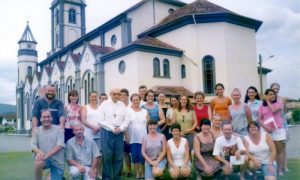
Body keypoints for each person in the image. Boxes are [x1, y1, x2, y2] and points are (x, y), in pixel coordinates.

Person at [98, 88, 129, 180]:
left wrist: (121, 128)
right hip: (107, 132)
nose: (116, 96)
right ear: (110, 94)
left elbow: (126, 119)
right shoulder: (104, 104)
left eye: (118, 94)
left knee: (119, 156)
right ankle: (106, 177)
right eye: (114, 94)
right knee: (107, 156)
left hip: (119, 133)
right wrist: (112, 128)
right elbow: (100, 120)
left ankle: (117, 177)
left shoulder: (122, 105)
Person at [31, 109, 65, 180]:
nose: (46, 119)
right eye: (44, 117)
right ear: (40, 119)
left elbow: (59, 146)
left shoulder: (59, 130)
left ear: (51, 118)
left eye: (48, 117)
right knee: (38, 162)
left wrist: (45, 156)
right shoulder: (37, 131)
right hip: (44, 160)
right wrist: (39, 152)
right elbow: (33, 145)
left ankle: (52, 176)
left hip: (57, 163)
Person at [258, 88, 286, 175]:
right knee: (269, 150)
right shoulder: (261, 106)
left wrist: (268, 101)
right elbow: (259, 119)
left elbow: (274, 110)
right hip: (267, 130)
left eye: (273, 94)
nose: (272, 95)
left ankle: (280, 169)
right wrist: (265, 127)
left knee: (279, 150)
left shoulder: (280, 103)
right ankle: (270, 168)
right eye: (270, 94)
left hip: (278, 130)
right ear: (266, 95)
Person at [126, 93, 149, 179]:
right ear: (131, 101)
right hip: (132, 138)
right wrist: (127, 136)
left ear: (140, 101)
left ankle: (142, 172)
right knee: (135, 155)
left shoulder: (145, 111)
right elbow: (126, 125)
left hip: (143, 137)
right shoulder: (128, 111)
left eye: (137, 100)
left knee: (142, 156)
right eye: (134, 100)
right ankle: (137, 173)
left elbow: (149, 125)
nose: (135, 101)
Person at [81, 91, 102, 179]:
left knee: (99, 155)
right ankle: (89, 172)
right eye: (92, 96)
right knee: (89, 154)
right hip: (88, 134)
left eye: (95, 96)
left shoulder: (101, 108)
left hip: (99, 134)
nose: (93, 98)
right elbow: (83, 120)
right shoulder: (85, 107)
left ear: (97, 97)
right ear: (89, 97)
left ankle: (98, 172)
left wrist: (98, 127)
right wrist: (93, 127)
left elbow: (103, 119)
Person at [270, 82, 289, 173]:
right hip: (272, 127)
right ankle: (275, 166)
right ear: (271, 89)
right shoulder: (268, 100)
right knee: (274, 148)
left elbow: (284, 113)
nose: (276, 90)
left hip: (282, 126)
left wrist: (285, 125)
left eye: (277, 89)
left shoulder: (282, 100)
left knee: (283, 147)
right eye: (274, 88)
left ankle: (285, 166)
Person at [120, 88, 132, 177]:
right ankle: (124, 171)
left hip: (133, 133)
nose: (123, 97)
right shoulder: (119, 107)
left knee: (131, 153)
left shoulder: (131, 107)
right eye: (121, 95)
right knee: (124, 153)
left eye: (125, 95)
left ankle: (129, 170)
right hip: (122, 134)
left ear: (128, 96)